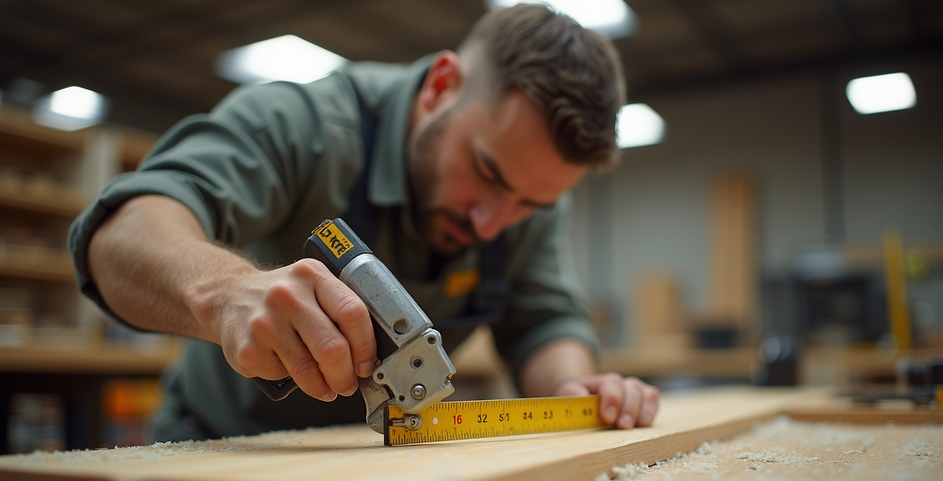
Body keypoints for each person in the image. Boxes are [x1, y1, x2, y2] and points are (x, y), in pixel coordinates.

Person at [69, 4, 660, 442]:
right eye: (487, 173)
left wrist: (571, 389)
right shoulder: (306, 123)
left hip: (380, 461)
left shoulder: (525, 189)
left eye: (529, 204)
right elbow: (122, 235)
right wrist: (223, 295)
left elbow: (545, 319)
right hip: (223, 445)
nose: (493, 223)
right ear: (441, 86)